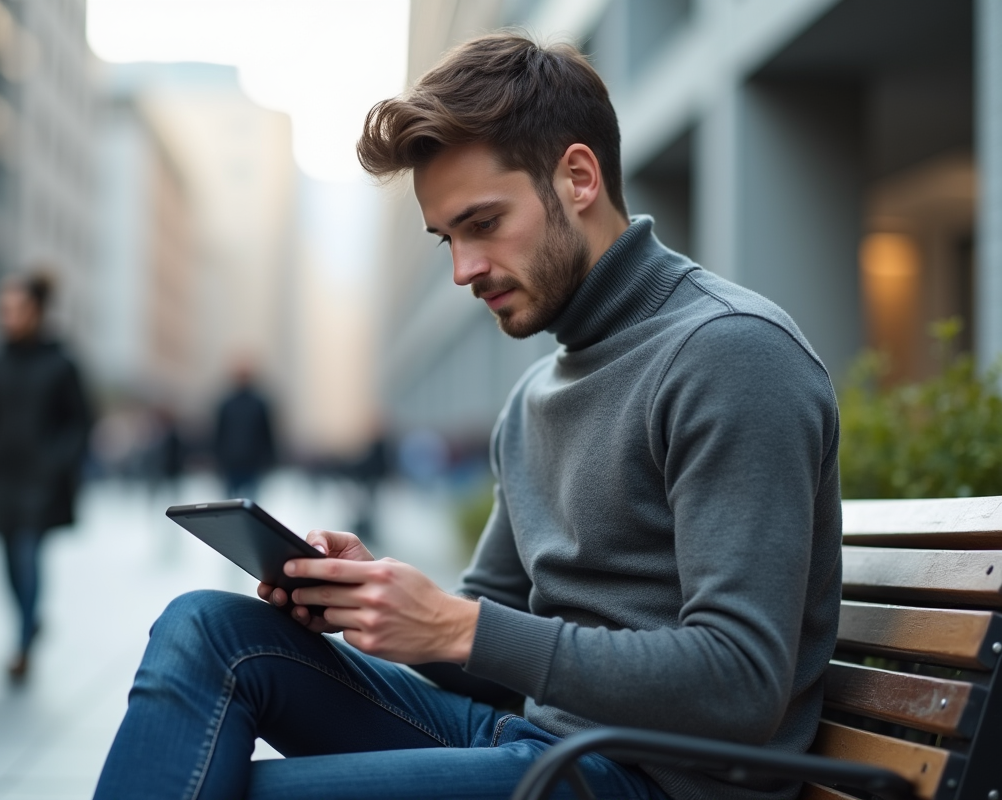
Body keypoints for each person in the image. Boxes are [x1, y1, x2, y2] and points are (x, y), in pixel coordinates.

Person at [93, 34, 841, 800]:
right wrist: (377, 601)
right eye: (448, 237)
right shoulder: (536, 396)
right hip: (536, 741)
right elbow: (485, 647)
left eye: (483, 223)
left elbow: (743, 683)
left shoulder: (731, 354)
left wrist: (458, 626)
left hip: (653, 780)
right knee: (204, 628)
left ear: (578, 178)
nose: (463, 269)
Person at [0, 272, 92, 684]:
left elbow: (79, 422)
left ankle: (21, 645)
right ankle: (29, 619)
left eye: (16, 309)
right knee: (5, 563)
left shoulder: (61, 362)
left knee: (27, 555)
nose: (7, 316)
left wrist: (55, 463)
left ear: (36, 312)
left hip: (40, 482)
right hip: (1, 479)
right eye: (3, 309)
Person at [212, 362, 276, 500]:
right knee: (230, 502)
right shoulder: (227, 404)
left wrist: (268, 458)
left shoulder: (258, 404)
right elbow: (218, 434)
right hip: (231, 462)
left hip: (251, 463)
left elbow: (266, 433)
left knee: (250, 502)